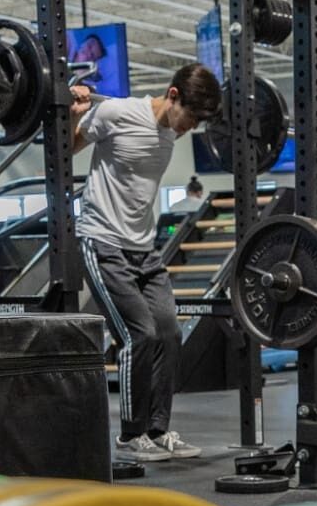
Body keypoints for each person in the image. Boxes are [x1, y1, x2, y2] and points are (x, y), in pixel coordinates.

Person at [71, 63, 221, 462]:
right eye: (189, 116)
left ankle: (158, 430)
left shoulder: (171, 129)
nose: (188, 127)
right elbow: (65, 148)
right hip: (102, 241)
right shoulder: (115, 113)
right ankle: (129, 437)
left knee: (170, 332)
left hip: (144, 248)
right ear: (172, 96)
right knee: (140, 334)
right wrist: (69, 113)